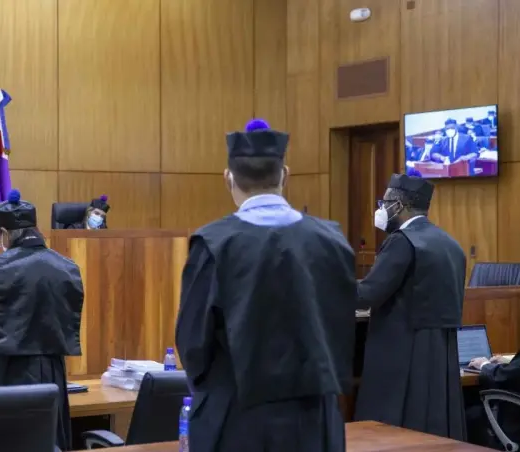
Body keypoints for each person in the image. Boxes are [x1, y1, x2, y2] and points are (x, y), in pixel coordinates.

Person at [175, 119, 356, 452]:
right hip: (315, 418)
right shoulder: (332, 240)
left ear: (228, 177)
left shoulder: (214, 244)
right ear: (285, 175)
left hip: (237, 417)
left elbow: (193, 345)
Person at [0, 189, 83, 451]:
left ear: (4, 234)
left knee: (3, 442)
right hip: (51, 371)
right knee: (46, 441)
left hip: (4, 370)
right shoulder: (68, 267)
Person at [355, 174, 466, 439]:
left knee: (394, 428)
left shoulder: (402, 241)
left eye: (384, 203)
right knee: (433, 427)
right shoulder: (450, 243)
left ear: (398, 205)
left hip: (402, 348)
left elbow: (368, 294)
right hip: (441, 351)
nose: (381, 209)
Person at [466, 354, 520, 446]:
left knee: (470, 414)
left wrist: (484, 364)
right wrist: (509, 363)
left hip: (514, 423)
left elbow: (500, 377)